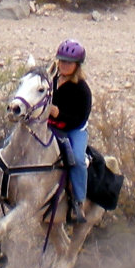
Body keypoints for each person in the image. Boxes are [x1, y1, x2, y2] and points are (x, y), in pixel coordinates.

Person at [48, 39, 92, 223]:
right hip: (48, 125)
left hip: (74, 130)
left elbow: (79, 118)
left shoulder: (82, 89)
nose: (64, 65)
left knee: (78, 159)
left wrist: (59, 114)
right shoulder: (51, 81)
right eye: (62, 61)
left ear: (77, 65)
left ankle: (78, 201)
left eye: (68, 62)